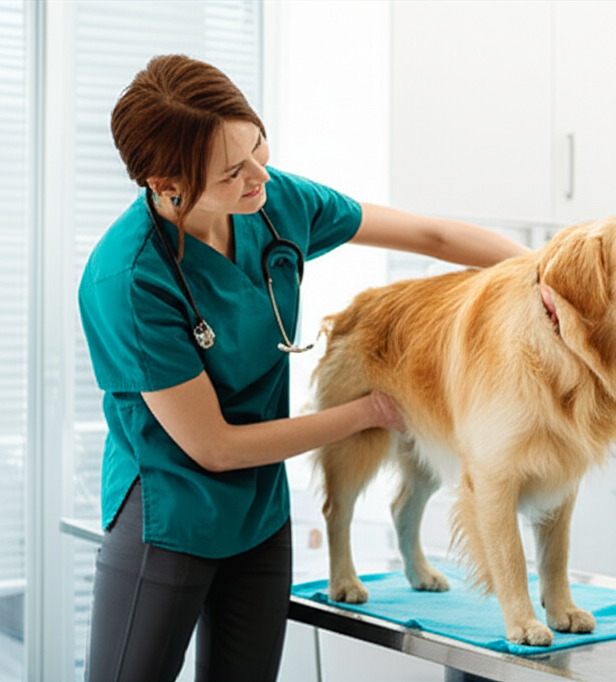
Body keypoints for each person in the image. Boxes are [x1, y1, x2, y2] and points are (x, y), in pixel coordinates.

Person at [78, 54, 529, 682]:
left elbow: (434, 237)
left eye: (258, 147)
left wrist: (544, 277)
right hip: (170, 511)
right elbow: (215, 447)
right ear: (166, 182)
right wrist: (369, 411)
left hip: (260, 512)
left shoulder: (274, 203)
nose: (259, 174)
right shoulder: (127, 279)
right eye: (232, 170)